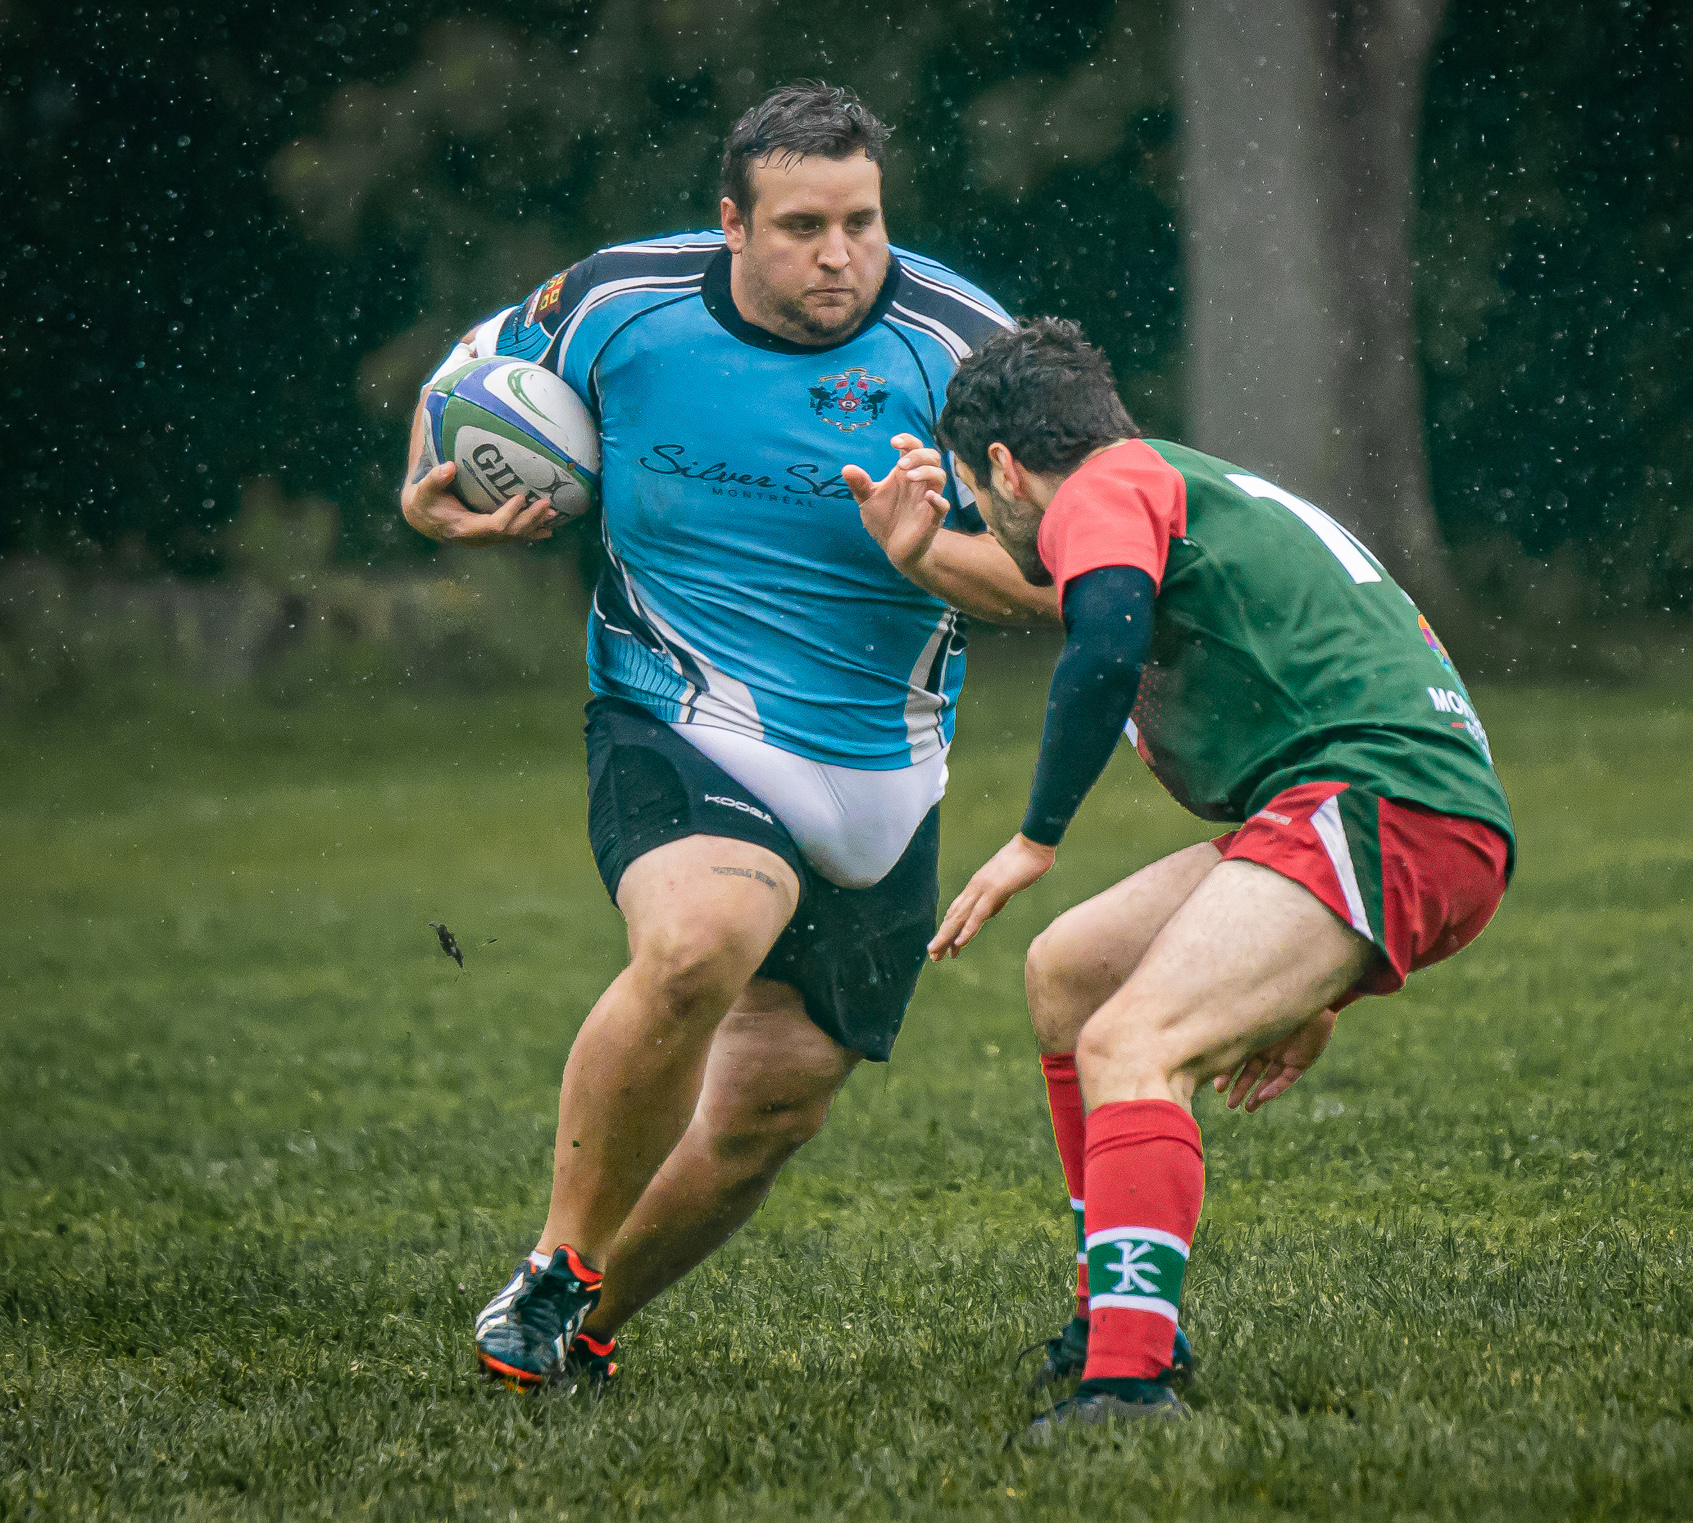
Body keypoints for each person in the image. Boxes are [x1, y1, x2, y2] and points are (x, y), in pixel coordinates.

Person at [398, 82, 1052, 1392]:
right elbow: (469, 385)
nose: (840, 256)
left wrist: (935, 557)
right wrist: (438, 502)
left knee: (771, 1107)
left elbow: (1075, 582)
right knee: (701, 940)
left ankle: (577, 1334)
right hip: (672, 705)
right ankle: (560, 1257)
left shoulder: (972, 352)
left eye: (863, 221)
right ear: (730, 224)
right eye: (804, 225)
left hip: (888, 769)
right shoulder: (611, 301)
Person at [865, 318, 1516, 1432]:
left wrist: (1036, 834)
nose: (984, 516)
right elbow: (1063, 597)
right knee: (1069, 975)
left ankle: (1126, 1383)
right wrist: (919, 554)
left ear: (1008, 470)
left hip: (1376, 803)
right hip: (1356, 804)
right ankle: (1110, 1313)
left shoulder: (1106, 493)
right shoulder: (1160, 481)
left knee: (1133, 1043)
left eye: (978, 495)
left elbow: (1102, 639)